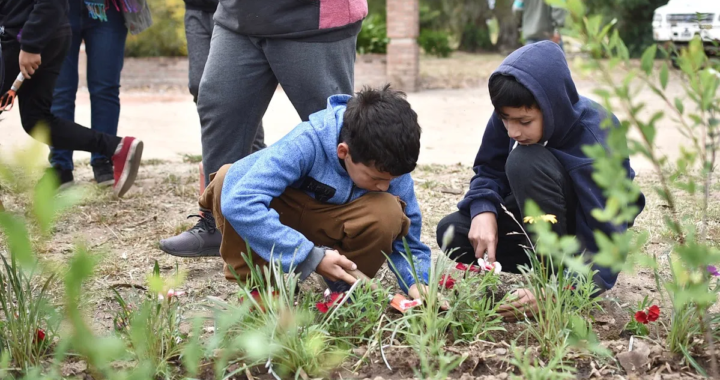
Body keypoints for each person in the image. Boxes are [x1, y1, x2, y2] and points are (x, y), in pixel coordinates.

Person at [436, 41, 645, 320]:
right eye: (505, 119)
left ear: (552, 106)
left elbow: (609, 232)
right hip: (539, 218)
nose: (512, 131)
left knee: (525, 160)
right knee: (454, 232)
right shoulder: (512, 111)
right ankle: (543, 265)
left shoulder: (596, 137)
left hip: (586, 229)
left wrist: (561, 290)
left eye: (524, 122)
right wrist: (483, 208)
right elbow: (489, 168)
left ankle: (553, 275)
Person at [181, 86, 432, 300]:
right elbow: (240, 202)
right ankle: (263, 291)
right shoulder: (306, 142)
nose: (385, 186)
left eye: (392, 179)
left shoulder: (387, 164)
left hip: (328, 223)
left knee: (388, 211)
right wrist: (309, 256)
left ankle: (343, 290)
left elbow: (410, 241)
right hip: (279, 217)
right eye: (377, 179)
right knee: (230, 181)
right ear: (343, 152)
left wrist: (417, 282)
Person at [160, 0, 366, 258]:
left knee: (331, 127)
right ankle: (221, 223)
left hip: (312, 20)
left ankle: (348, 230)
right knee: (220, 107)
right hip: (239, 15)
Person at [0, 0, 143, 197]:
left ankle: (103, 160)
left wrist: (31, 43)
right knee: (40, 116)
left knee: (103, 88)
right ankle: (108, 150)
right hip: (45, 24)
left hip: (37, 27)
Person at [48, 0, 133, 187]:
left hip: (109, 8)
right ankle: (60, 166)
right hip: (58, 7)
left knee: (106, 88)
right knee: (60, 90)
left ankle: (103, 159)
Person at [182, 0, 265, 152]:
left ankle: (255, 148)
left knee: (242, 85)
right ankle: (215, 149)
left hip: (232, 12)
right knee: (198, 85)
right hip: (195, 9)